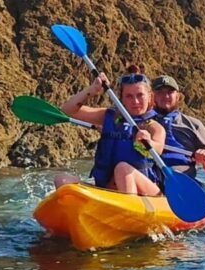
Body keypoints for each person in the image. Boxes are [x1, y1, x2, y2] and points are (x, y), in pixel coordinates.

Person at [57, 65, 166, 195]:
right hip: (108, 189)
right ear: (122, 99)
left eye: (140, 95)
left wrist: (148, 142)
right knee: (62, 180)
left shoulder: (153, 127)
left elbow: (158, 148)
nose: (135, 101)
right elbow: (67, 111)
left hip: (146, 193)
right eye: (129, 96)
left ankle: (129, 210)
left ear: (150, 98)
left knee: (122, 169)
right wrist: (92, 90)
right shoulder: (109, 117)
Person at [151, 75, 205, 178]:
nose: (165, 96)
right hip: (151, 174)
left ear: (178, 96)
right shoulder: (143, 123)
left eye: (170, 92)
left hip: (181, 177)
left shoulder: (193, 124)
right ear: (152, 96)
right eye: (160, 92)